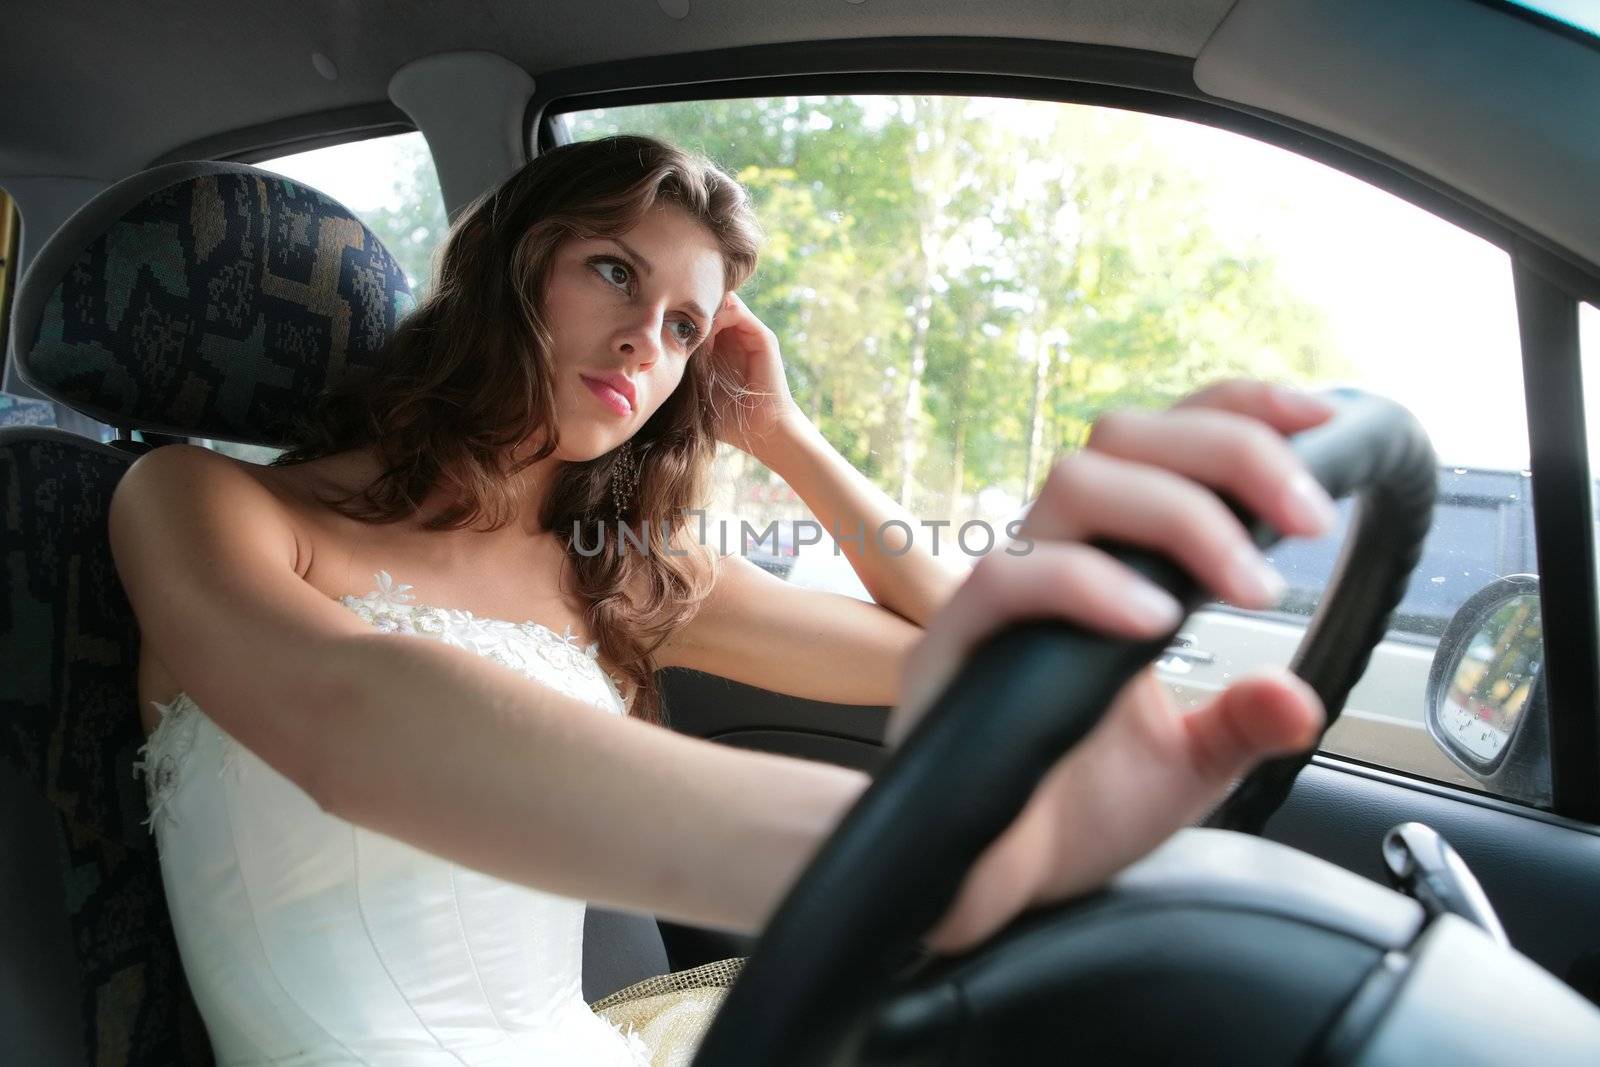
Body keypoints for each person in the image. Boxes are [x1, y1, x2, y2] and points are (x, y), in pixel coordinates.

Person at [109, 134, 1338, 1065]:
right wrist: (921, 862)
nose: (648, 337)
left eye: (686, 324)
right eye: (611, 271)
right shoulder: (203, 504)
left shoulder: (613, 566)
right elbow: (351, 719)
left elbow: (955, 647)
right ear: (501, 271)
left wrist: (788, 436)